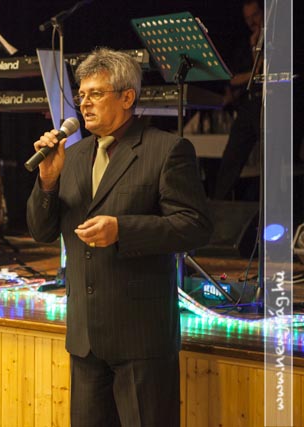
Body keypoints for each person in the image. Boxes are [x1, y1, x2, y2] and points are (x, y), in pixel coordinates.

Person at [26, 48, 213, 426]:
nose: (85, 103)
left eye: (96, 93)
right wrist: (47, 181)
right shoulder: (72, 156)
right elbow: (41, 232)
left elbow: (194, 225)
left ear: (127, 97)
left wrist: (122, 230)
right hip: (85, 340)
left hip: (141, 338)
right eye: (81, 95)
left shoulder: (166, 150)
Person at [212, 0, 264, 199]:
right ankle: (218, 203)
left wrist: (257, 48)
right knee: (231, 159)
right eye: (247, 18)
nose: (252, 22)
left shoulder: (276, 40)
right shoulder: (245, 43)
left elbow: (259, 72)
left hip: (269, 106)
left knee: (271, 160)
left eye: (255, 16)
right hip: (248, 106)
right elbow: (234, 78)